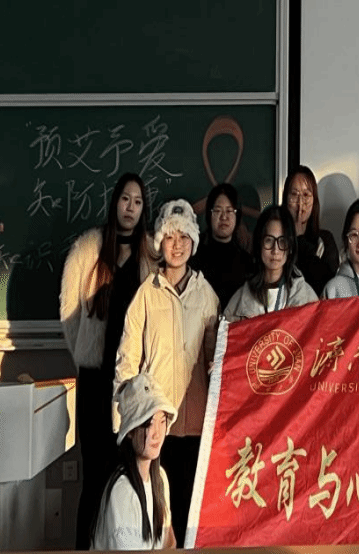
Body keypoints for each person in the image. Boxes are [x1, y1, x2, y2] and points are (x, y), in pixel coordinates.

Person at [114, 199, 218, 548]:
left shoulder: (207, 295)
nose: (177, 245)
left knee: (191, 513)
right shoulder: (147, 294)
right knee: (158, 513)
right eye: (170, 237)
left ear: (193, 242)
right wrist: (124, 418)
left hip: (197, 424)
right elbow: (128, 359)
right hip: (156, 427)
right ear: (160, 242)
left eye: (184, 237)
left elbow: (216, 360)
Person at [59, 172, 156, 550]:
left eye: (138, 202)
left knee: (127, 473)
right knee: (94, 474)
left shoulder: (150, 254)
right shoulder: (89, 249)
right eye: (125, 199)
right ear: (115, 202)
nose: (130, 208)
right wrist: (84, 352)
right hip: (95, 380)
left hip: (130, 383)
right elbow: (69, 309)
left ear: (144, 209)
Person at [91, 372, 176, 551]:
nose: (157, 433)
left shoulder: (160, 478)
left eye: (162, 422)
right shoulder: (122, 491)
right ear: (130, 431)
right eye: (148, 424)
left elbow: (170, 542)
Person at [223, 205, 318, 322]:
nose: (275, 250)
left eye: (282, 241)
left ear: (290, 247)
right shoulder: (239, 302)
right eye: (269, 240)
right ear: (259, 244)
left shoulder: (308, 298)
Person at [190, 183, 253, 309]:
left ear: (237, 215)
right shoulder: (194, 257)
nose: (224, 217)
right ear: (209, 215)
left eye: (229, 211)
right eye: (218, 210)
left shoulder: (247, 263)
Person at [284, 165, 339, 295]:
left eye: (306, 195)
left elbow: (327, 286)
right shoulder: (277, 239)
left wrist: (300, 239)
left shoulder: (325, 240)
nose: (300, 202)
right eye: (294, 194)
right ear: (286, 198)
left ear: (314, 201)